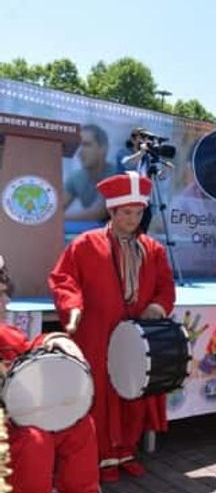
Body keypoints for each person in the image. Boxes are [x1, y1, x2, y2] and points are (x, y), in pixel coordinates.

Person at [49, 171, 175, 482]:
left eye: (139, 213)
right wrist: (72, 307)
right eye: (127, 213)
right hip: (97, 333)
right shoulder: (85, 244)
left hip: (136, 335)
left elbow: (165, 287)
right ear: (112, 211)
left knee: (132, 391)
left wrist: (157, 307)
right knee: (101, 396)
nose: (133, 219)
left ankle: (126, 452)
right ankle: (101, 457)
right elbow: (63, 279)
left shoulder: (153, 249)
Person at [0, 258, 100, 493]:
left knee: (78, 424)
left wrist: (54, 339)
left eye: (5, 293)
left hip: (16, 417)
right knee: (34, 439)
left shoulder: (4, 333)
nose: (6, 302)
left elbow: (28, 348)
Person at [63, 123, 117, 222]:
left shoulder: (115, 174)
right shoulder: (76, 178)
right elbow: (57, 208)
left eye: (86, 145)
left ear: (103, 149)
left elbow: (98, 213)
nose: (80, 152)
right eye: (79, 146)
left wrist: (58, 218)